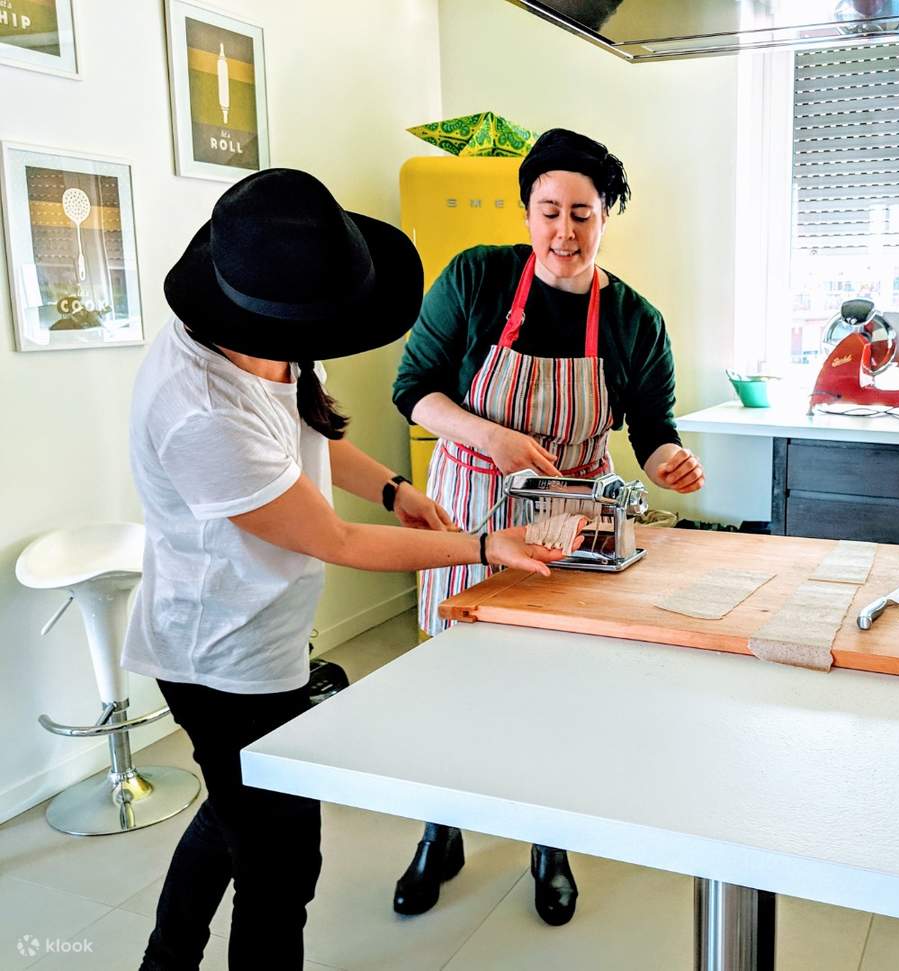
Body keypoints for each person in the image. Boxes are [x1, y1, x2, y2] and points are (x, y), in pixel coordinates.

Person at [127, 169, 570, 971]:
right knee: (279, 870)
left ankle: (165, 960)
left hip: (264, 631)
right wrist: (483, 545)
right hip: (218, 657)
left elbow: (312, 432)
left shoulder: (274, 328)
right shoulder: (199, 410)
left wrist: (396, 488)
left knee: (231, 815)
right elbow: (335, 539)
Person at [390, 128, 705, 926]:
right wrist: (490, 436)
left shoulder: (633, 319)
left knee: (558, 688)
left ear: (606, 216)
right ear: (527, 211)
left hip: (573, 516)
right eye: (548, 211)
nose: (563, 232)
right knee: (453, 679)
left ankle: (549, 843)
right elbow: (413, 389)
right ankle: (439, 831)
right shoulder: (476, 278)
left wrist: (668, 460)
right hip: (470, 501)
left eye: (581, 214)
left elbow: (651, 427)